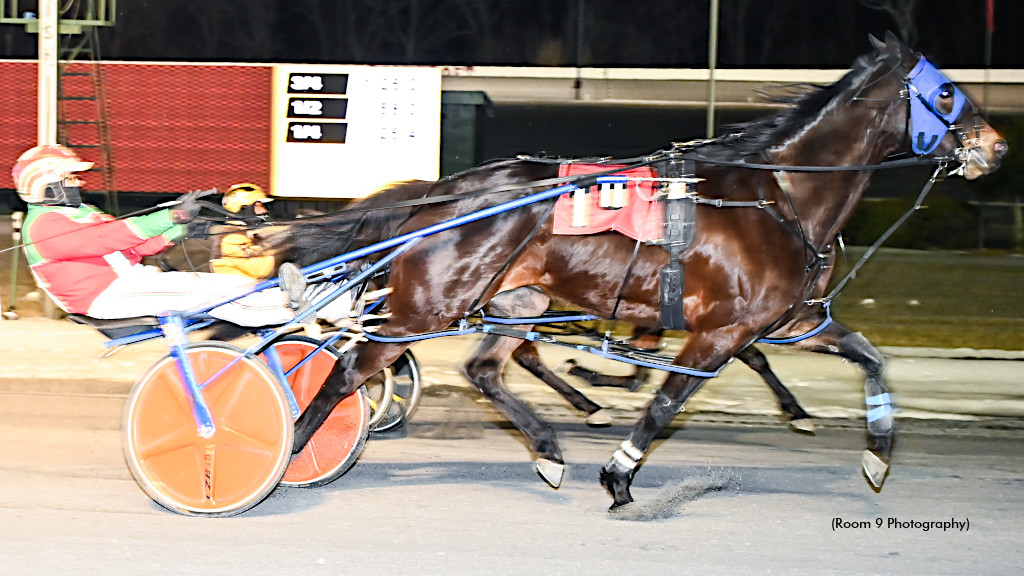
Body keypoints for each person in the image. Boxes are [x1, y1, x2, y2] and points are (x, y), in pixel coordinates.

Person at [12, 144, 306, 327]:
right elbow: (106, 238)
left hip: (128, 282)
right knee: (207, 294)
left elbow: (135, 247)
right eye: (71, 178)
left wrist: (182, 229)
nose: (80, 182)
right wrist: (170, 216)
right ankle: (286, 307)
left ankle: (290, 299)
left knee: (218, 283)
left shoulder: (78, 212)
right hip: (103, 297)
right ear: (46, 184)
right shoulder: (43, 225)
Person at [209, 182, 278, 278]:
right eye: (258, 205)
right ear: (244, 208)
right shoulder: (232, 238)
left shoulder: (242, 234)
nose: (264, 211)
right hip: (239, 289)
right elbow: (260, 270)